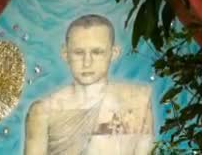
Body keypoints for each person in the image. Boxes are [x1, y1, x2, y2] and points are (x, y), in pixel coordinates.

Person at [24, 14, 154, 155]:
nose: (87, 62)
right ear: (65, 54)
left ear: (114, 53)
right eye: (78, 53)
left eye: (97, 52)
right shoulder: (43, 111)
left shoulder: (137, 101)